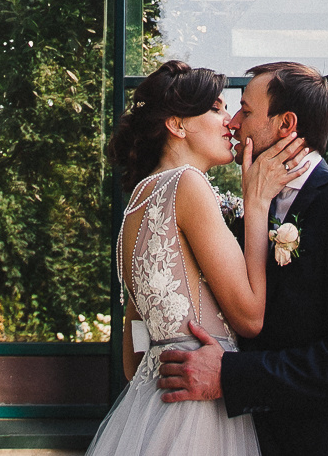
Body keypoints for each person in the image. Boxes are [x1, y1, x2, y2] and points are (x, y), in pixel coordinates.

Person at [157, 61, 328, 456]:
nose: (233, 123)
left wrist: (230, 375)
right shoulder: (251, 215)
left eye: (247, 111)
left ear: (286, 124)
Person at [85, 61, 303, 456]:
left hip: (149, 409)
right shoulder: (187, 185)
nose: (229, 122)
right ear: (177, 125)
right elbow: (251, 318)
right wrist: (256, 204)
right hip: (199, 413)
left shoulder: (136, 206)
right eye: (217, 108)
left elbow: (134, 355)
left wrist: (163, 352)